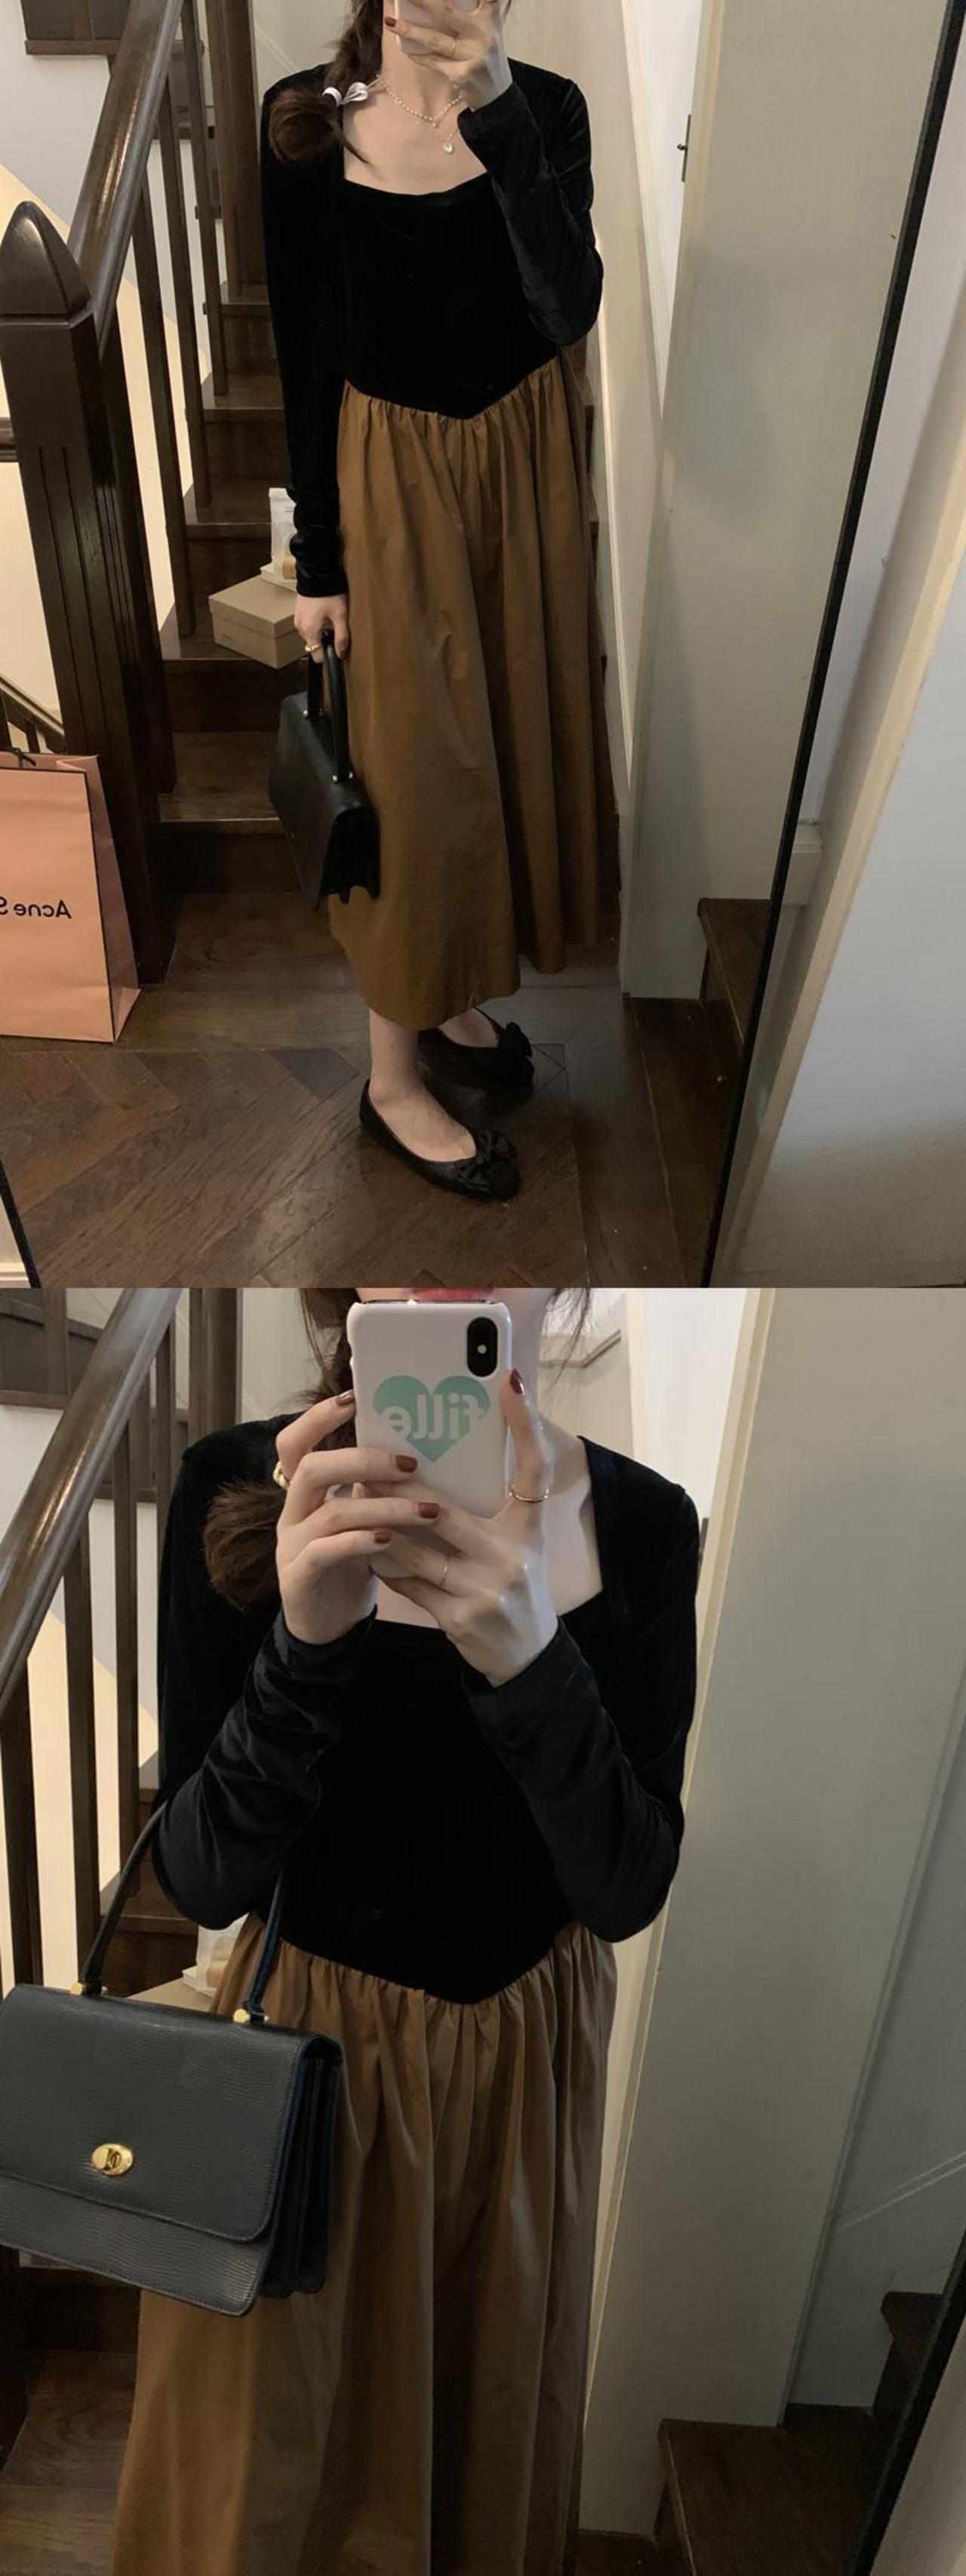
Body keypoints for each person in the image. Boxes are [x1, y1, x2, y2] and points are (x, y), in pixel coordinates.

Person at [109, 1287, 700, 2576]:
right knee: (262, 2494)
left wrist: (532, 1659)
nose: (444, 1271)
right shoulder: (240, 1485)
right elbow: (203, 1877)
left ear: (567, 1269)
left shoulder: (644, 1524)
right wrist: (305, 1645)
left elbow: (624, 1888)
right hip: (301, 2071)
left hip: (516, 2081)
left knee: (477, 2465)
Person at [260, 5, 617, 1203]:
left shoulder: (546, 107)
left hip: (524, 468)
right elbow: (305, 353)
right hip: (390, 482)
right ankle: (390, 1081)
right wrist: (318, 559)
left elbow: (569, 310)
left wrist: (500, 111)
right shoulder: (307, 124)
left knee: (501, 750)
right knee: (413, 773)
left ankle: (449, 993)